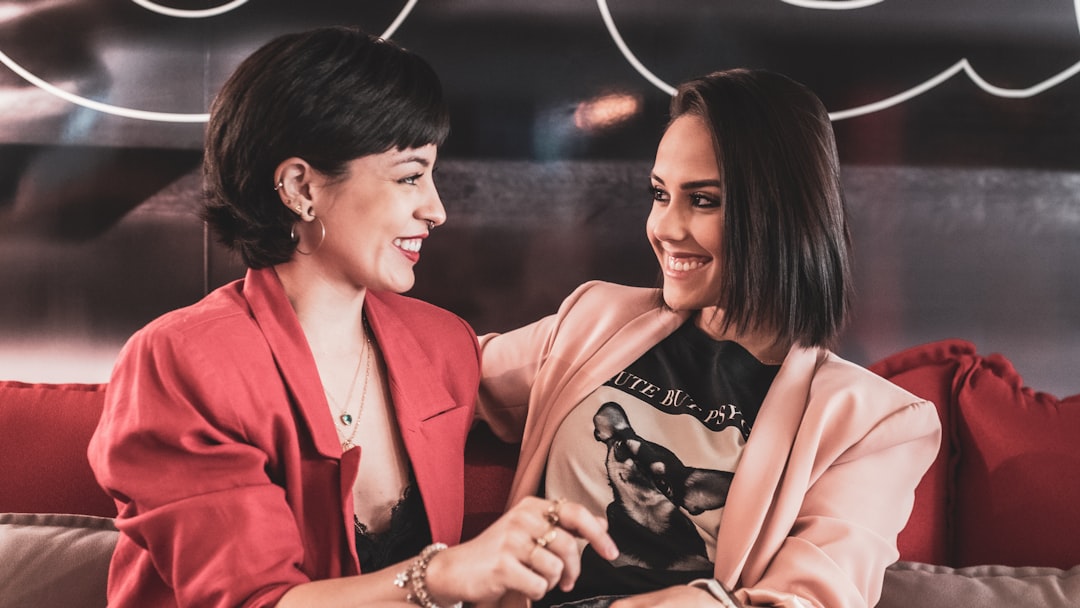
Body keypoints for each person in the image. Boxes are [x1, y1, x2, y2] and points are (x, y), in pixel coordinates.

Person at [87, 26, 616, 608]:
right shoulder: (181, 361)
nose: (436, 209)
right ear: (300, 187)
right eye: (410, 176)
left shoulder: (443, 344)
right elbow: (251, 601)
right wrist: (439, 575)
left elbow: (570, 353)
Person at [476, 69, 941, 608]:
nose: (665, 227)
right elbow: (434, 377)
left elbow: (809, 599)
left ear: (780, 215)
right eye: (659, 194)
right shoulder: (593, 319)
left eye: (703, 200)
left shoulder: (871, 425)